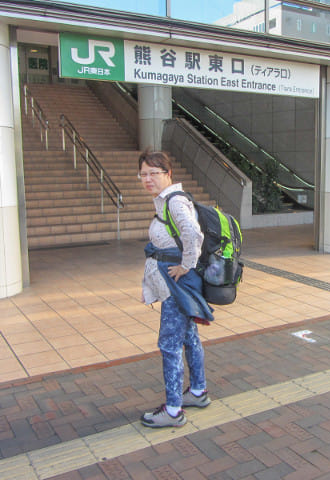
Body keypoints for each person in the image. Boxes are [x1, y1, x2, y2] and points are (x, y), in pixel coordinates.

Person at [138, 150, 213, 428]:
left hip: (177, 286)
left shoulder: (174, 202)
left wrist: (186, 265)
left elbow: (193, 234)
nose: (148, 179)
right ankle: (197, 391)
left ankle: (172, 410)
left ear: (168, 174)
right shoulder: (167, 201)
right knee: (189, 337)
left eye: (153, 173)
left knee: (169, 345)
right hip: (175, 284)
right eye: (143, 174)